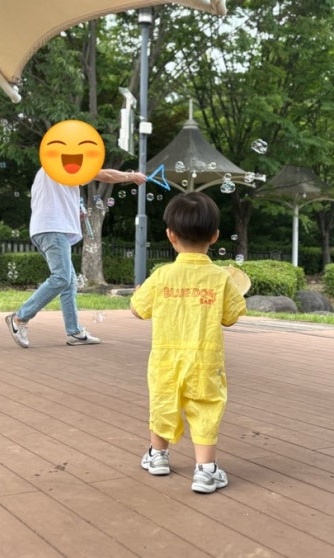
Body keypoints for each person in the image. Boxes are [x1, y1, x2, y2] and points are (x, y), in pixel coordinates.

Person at [130, 191, 247, 493]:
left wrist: (139, 293)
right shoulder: (220, 278)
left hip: (165, 361)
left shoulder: (162, 275)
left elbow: (138, 310)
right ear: (215, 236)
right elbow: (231, 317)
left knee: (163, 403)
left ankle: (158, 456)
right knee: (206, 407)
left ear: (170, 235)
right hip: (205, 360)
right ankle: (206, 471)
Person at [5, 166, 147, 348]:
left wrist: (73, 213)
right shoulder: (64, 165)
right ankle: (19, 318)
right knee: (61, 277)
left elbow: (53, 200)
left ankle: (74, 332)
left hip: (47, 229)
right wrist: (132, 176)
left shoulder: (52, 170)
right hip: (53, 229)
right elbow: (105, 175)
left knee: (69, 282)